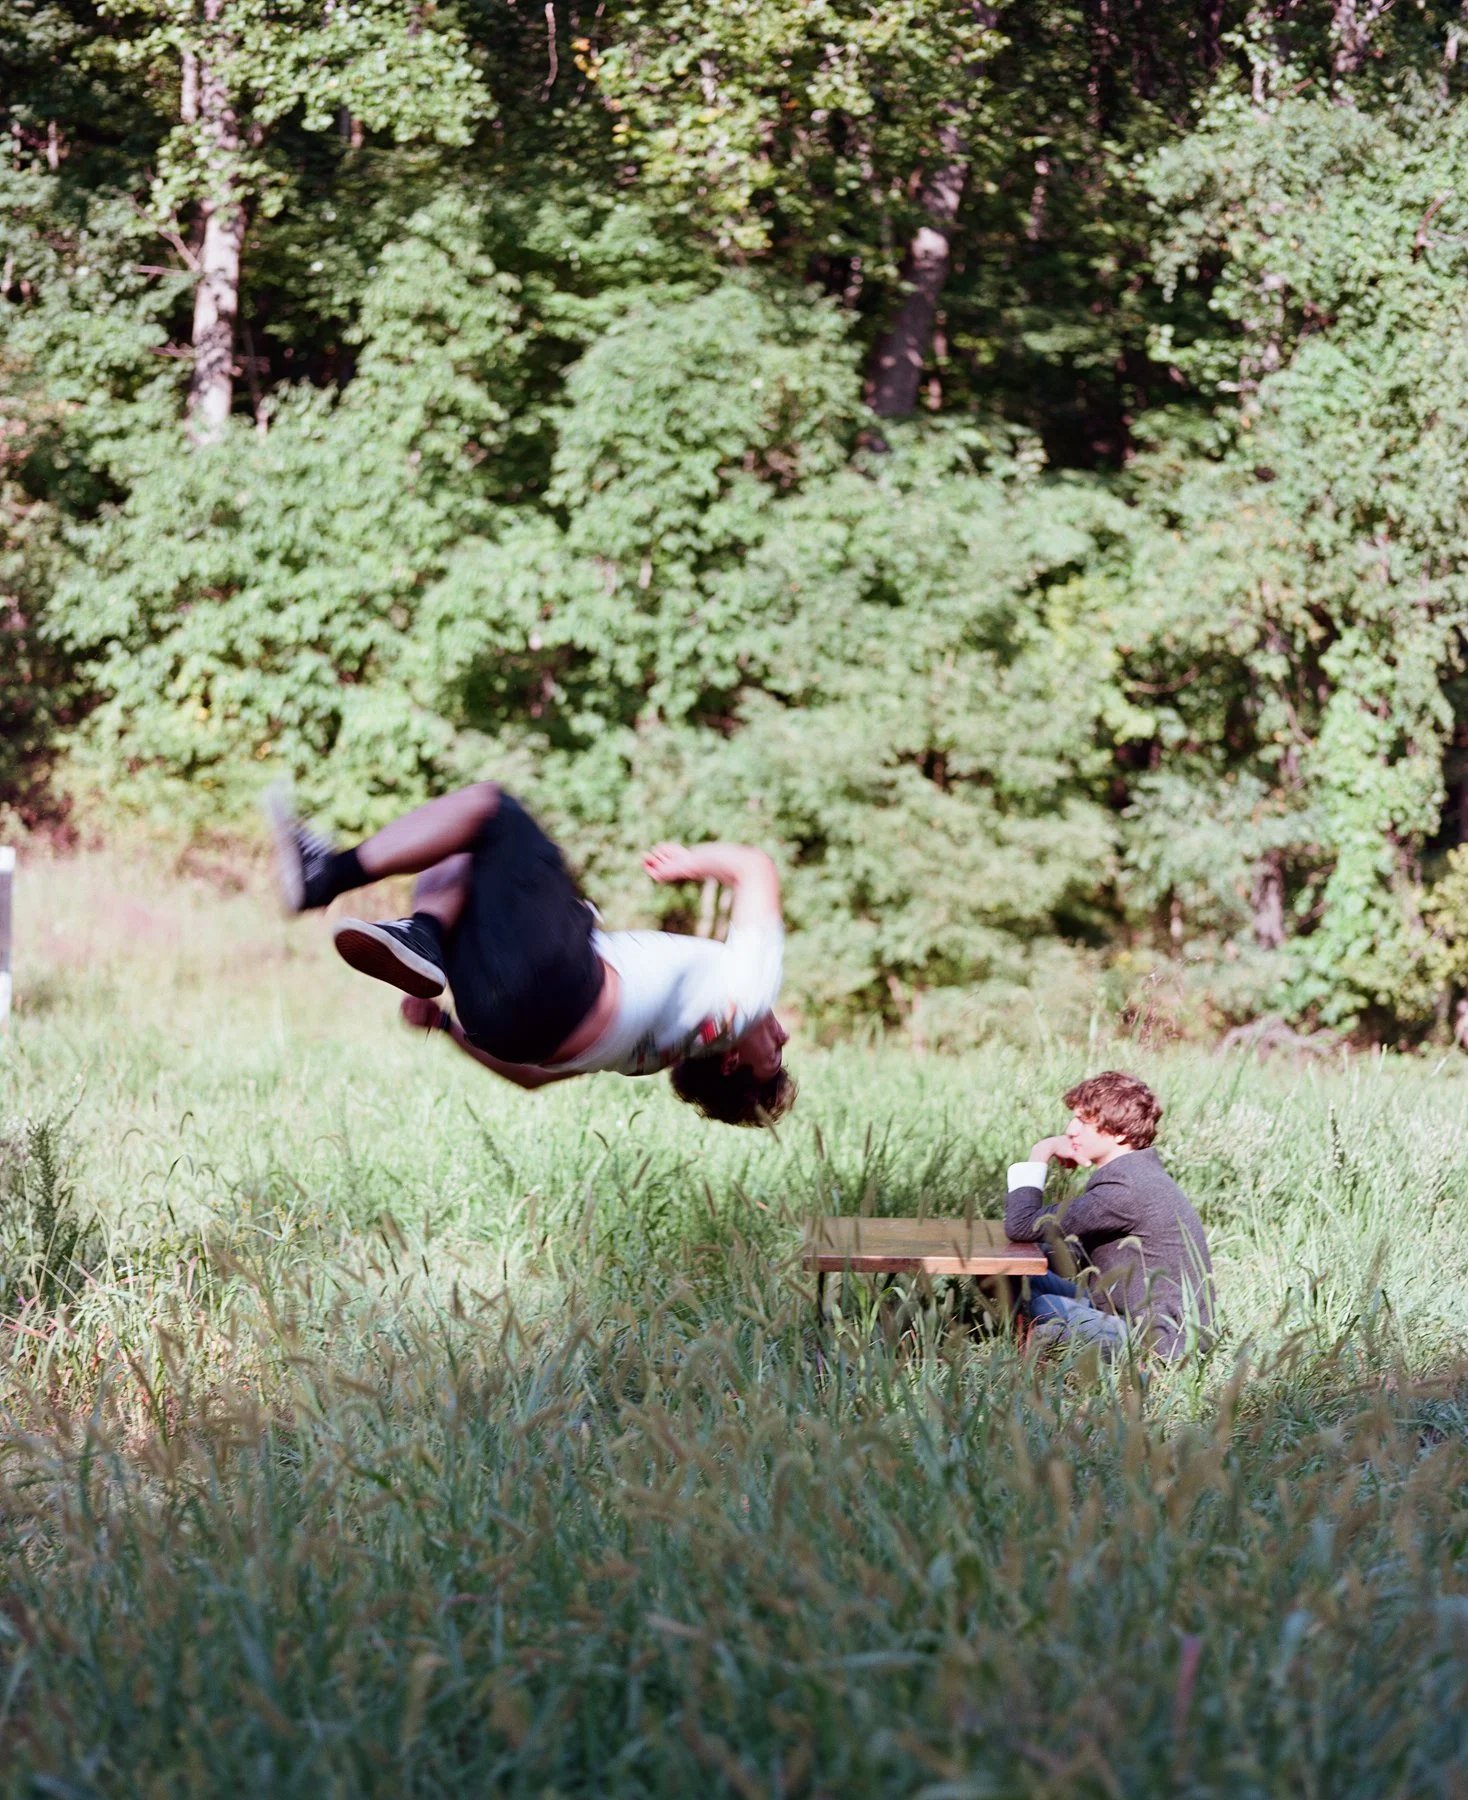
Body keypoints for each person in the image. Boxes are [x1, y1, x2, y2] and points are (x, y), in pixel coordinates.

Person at [266, 781, 795, 1126]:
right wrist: (447, 1026)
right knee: (458, 845)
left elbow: (755, 867)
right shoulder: (645, 1058)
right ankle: (422, 936)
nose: (784, 1036)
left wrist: (691, 860)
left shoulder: (747, 996)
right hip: (501, 1027)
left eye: (773, 1056)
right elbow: (531, 1078)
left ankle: (326, 876)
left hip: (564, 983)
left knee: (494, 810)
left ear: (729, 1063)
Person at [1003, 1070, 1213, 1358]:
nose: (1070, 1130)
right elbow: (1069, 1255)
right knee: (1013, 1273)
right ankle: (1029, 1335)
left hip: (1160, 1341)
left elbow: (1021, 1224)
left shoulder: (1125, 1188)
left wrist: (1042, 1151)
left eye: (1083, 1122)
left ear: (1120, 1133)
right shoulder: (1136, 1173)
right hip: (1129, 1314)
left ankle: (1034, 1345)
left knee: (1043, 1305)